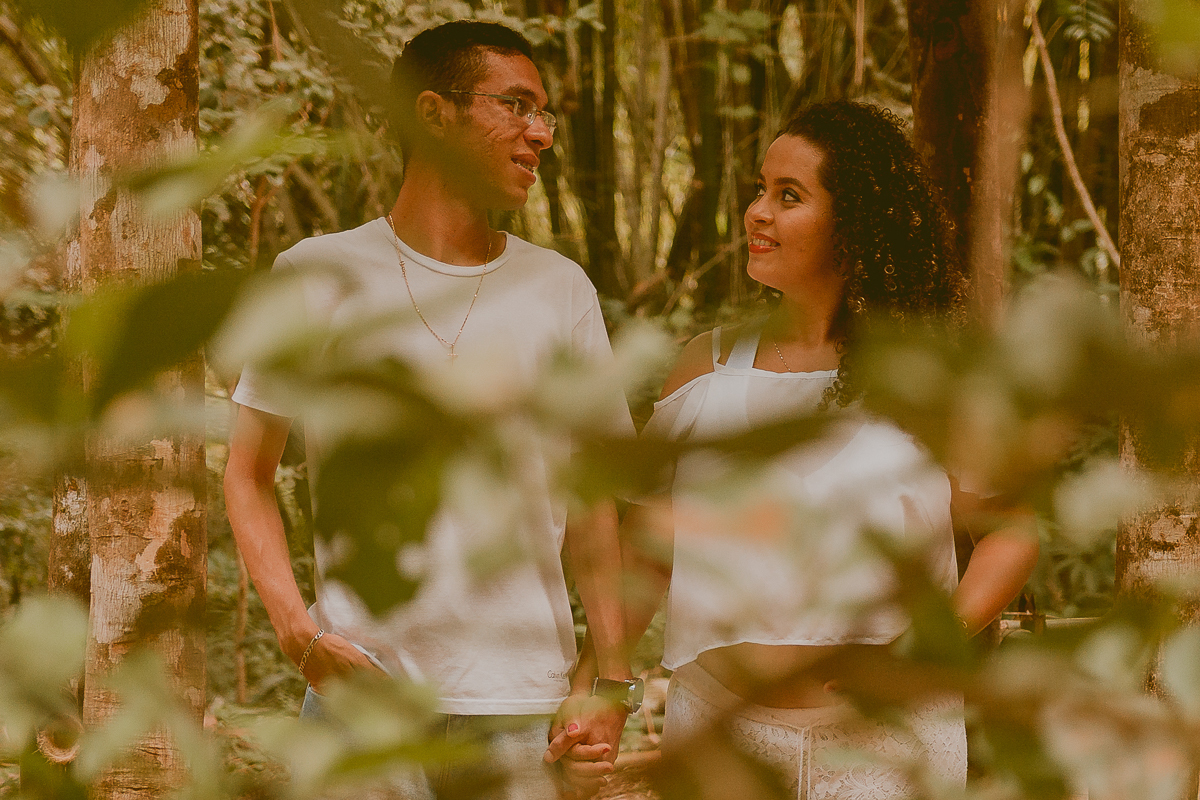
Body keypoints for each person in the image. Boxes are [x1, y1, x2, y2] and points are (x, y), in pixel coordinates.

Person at [547, 101, 1041, 798]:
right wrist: (602, 688)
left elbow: (1012, 530)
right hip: (720, 733)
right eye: (759, 188)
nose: (757, 212)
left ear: (856, 223)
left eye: (789, 196)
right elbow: (647, 555)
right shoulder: (707, 365)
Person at [224, 20, 637, 800]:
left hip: (523, 708)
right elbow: (247, 473)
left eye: (545, 113)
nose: (540, 133)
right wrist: (297, 632)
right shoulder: (315, 274)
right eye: (516, 105)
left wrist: (610, 680)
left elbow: (593, 504)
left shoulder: (561, 290)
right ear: (434, 114)